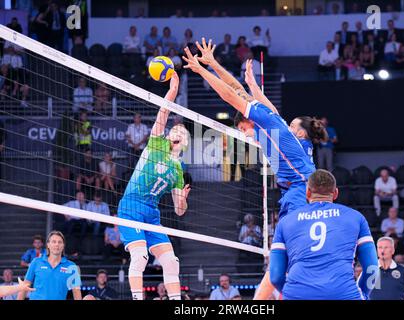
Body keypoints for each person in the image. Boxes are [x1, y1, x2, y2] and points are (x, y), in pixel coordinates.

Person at [183, 40, 320, 299]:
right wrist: (214, 64)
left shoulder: (265, 121)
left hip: (301, 193)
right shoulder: (275, 122)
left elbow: (230, 95)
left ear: (248, 122)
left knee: (291, 259)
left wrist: (202, 71)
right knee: (282, 261)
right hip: (299, 192)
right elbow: (238, 89)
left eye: (242, 131)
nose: (246, 137)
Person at [118, 72, 191, 300]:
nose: (175, 132)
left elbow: (179, 211)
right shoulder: (156, 144)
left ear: (184, 143)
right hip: (131, 205)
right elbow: (163, 113)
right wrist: (172, 92)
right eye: (174, 130)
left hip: (152, 213)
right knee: (140, 256)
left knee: (171, 261)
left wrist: (183, 200)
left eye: (180, 132)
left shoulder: (178, 170)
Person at [269, 169, 378, 299]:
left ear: (308, 192)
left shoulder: (286, 222)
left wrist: (291, 293)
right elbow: (372, 268)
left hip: (297, 294)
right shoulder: (356, 217)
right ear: (336, 193)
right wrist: (363, 293)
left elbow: (275, 276)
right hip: (343, 294)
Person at [17, 231, 82, 300]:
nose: (57, 244)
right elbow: (24, 287)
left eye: (60, 242)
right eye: (54, 242)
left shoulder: (72, 266)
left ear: (63, 246)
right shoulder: (36, 262)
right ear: (48, 245)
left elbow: (76, 292)